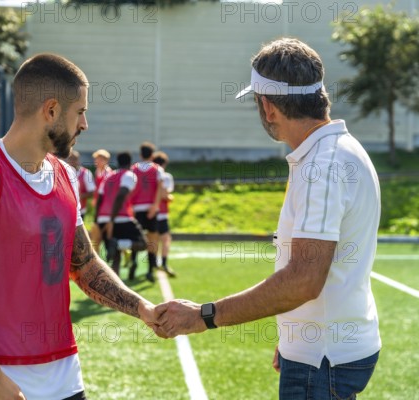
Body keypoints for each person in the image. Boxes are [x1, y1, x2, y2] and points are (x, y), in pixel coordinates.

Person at [0, 53, 161, 400]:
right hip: (1, 380)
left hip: (66, 377)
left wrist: (142, 308)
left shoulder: (65, 174)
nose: (85, 124)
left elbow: (85, 265)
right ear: (51, 110)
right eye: (80, 111)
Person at [155, 38, 381, 399]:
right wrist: (294, 335)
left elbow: (304, 280)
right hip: (325, 350)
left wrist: (203, 315)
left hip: (323, 360)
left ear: (268, 106)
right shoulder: (334, 150)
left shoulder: (322, 165)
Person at [95, 151, 147, 277]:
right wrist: (112, 220)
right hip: (120, 217)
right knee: (143, 244)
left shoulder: (108, 176)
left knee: (116, 257)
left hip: (103, 218)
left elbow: (100, 198)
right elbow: (121, 195)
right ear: (130, 162)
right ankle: (117, 243)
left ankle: (114, 290)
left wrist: (97, 221)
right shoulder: (129, 175)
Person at [130, 142, 164, 283]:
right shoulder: (157, 169)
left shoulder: (133, 169)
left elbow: (130, 189)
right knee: (153, 239)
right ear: (152, 155)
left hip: (136, 208)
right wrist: (155, 206)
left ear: (140, 154)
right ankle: (150, 270)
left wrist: (131, 206)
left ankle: (134, 262)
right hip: (151, 208)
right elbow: (160, 188)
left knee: (135, 239)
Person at [152, 151, 176, 277]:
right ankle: (164, 263)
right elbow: (164, 194)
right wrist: (170, 197)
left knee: (153, 238)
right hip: (161, 212)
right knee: (166, 238)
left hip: (151, 212)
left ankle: (154, 263)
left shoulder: (148, 174)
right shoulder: (165, 176)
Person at [90, 149, 114, 253]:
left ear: (105, 160)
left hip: (106, 208)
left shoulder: (108, 174)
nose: (96, 162)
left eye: (98, 159)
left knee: (105, 232)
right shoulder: (98, 172)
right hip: (100, 207)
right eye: (96, 159)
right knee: (97, 232)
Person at [67, 150, 96, 218]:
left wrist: (77, 197)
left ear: (78, 160)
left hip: (80, 210)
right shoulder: (63, 172)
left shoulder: (86, 173)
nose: (72, 161)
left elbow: (92, 192)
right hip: (66, 210)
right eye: (70, 158)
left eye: (74, 159)